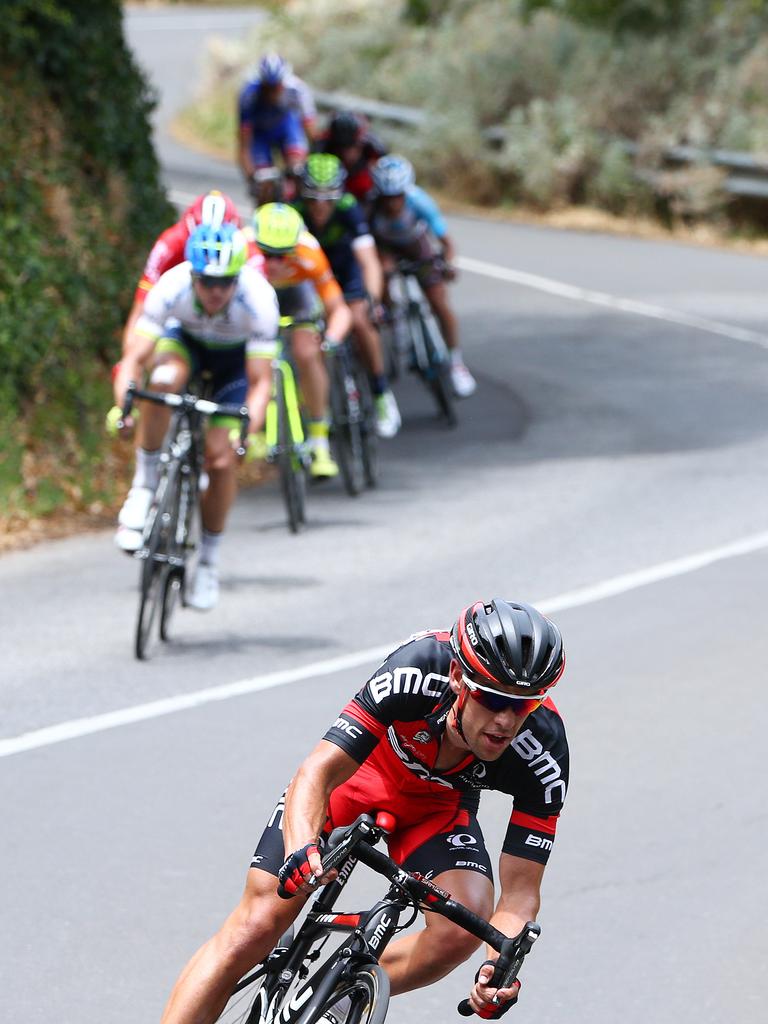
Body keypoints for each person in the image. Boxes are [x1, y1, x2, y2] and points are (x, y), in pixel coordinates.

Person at [160, 598, 569, 1023]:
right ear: (457, 679)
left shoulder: (543, 752)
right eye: (491, 697)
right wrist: (301, 850)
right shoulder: (417, 669)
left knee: (463, 926)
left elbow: (520, 896)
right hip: (359, 777)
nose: (505, 720)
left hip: (439, 807)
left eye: (523, 704)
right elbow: (318, 771)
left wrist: (497, 967)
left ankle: (335, 996)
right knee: (256, 926)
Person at [113, 223, 279, 609]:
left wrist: (244, 433)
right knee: (161, 381)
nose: (216, 291)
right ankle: (143, 486)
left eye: (225, 282)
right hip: (185, 346)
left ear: (238, 277)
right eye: (207, 282)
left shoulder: (258, 300)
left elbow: (259, 385)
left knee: (220, 461)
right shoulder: (170, 288)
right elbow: (133, 360)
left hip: (235, 368)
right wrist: (124, 407)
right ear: (192, 276)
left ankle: (208, 561)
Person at [293, 154, 400, 439]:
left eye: (327, 199)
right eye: (312, 198)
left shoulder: (350, 209)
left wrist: (373, 300)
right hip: (312, 278)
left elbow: (369, 262)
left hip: (346, 271)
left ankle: (381, 394)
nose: (319, 206)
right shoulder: (294, 212)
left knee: (361, 321)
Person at [250, 202, 353, 479]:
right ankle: (256, 430)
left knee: (307, 351)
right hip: (257, 296)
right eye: (267, 253)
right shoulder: (243, 250)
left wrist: (330, 339)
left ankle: (320, 443)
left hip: (297, 295)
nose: (274, 263)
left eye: (282, 255)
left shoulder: (310, 253)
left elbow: (339, 309)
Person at [369, 154, 477, 398]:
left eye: (398, 196)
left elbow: (447, 243)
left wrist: (448, 264)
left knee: (438, 301)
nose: (393, 203)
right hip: (386, 249)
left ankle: (456, 363)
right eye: (387, 197)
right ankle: (395, 320)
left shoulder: (420, 202)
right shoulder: (371, 208)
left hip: (417, 247)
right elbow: (367, 249)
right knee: (383, 272)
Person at [237, 53, 313, 192]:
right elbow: (244, 145)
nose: (272, 92)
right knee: (264, 184)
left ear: (283, 82)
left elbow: (311, 132)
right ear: (261, 83)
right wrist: (251, 177)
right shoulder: (248, 95)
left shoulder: (297, 90)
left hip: (287, 129)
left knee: (297, 172)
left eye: (276, 87)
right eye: (268, 87)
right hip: (260, 136)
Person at [317, 110, 388, 204]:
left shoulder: (374, 148)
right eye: (341, 147)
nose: (346, 153)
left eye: (351, 146)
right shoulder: (323, 146)